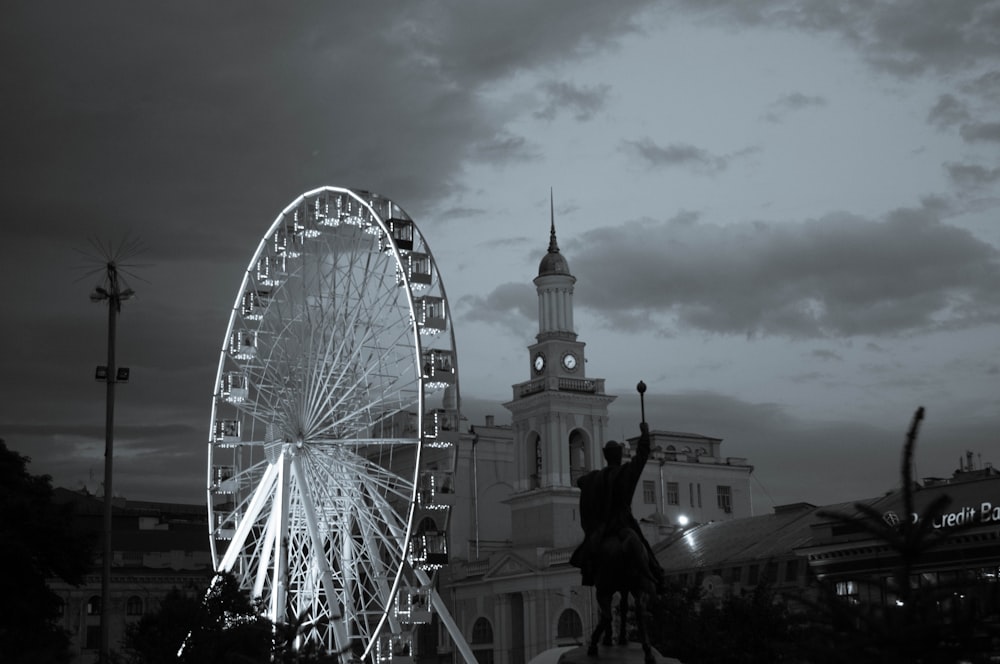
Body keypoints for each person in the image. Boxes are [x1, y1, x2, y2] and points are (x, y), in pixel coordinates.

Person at [570, 422, 665, 589]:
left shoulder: (595, 477)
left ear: (605, 456)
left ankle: (589, 574)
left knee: (591, 552)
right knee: (644, 550)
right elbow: (642, 456)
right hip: (623, 524)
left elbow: (580, 482)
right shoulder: (626, 472)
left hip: (603, 528)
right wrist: (645, 435)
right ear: (620, 455)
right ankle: (654, 575)